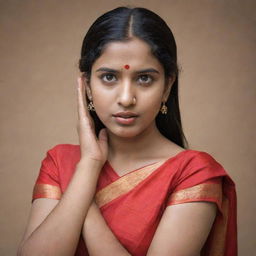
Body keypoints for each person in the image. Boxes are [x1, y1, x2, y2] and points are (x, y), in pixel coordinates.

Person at [18, 6, 237, 256]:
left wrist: (82, 196)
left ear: (167, 86)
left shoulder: (193, 173)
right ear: (87, 86)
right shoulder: (59, 162)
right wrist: (88, 165)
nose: (126, 98)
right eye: (109, 77)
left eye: (144, 78)